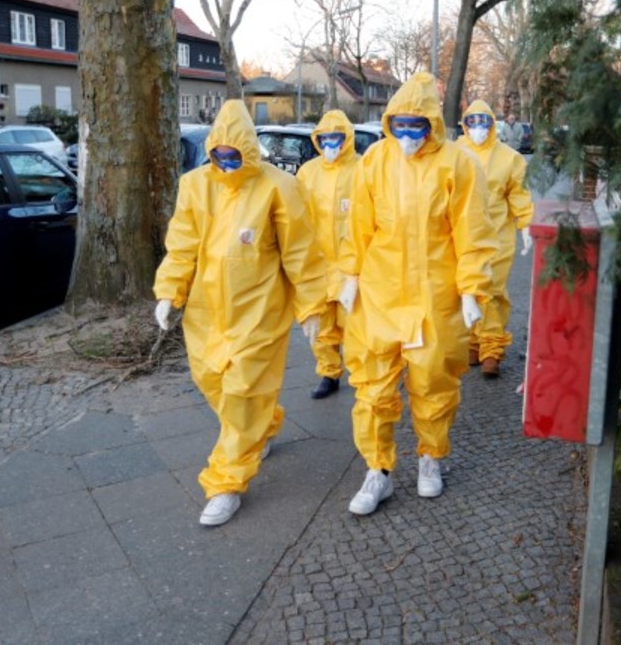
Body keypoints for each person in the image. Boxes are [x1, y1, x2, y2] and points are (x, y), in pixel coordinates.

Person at [154, 99, 325, 527]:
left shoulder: (278, 187)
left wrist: (311, 307)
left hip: (260, 311)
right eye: (220, 156)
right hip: (206, 312)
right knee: (212, 380)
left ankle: (226, 482)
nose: (227, 164)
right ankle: (264, 425)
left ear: (249, 150)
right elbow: (182, 243)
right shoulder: (195, 185)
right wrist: (170, 291)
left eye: (234, 156)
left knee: (243, 391)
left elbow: (301, 252)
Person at [337, 72, 497, 515]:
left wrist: (471, 290)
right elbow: (358, 226)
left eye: (416, 125)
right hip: (380, 292)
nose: (407, 134)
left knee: (433, 381)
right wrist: (349, 276)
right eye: (400, 125)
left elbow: (471, 232)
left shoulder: (457, 164)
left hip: (434, 294)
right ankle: (378, 470)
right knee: (372, 386)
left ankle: (431, 457)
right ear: (389, 123)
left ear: (432, 123)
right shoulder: (375, 161)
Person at [460, 100, 535, 377]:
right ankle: (471, 341)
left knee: (492, 291)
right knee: (466, 290)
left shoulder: (509, 157)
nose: (478, 128)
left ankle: (491, 349)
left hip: (497, 237)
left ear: (493, 124)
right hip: (463, 236)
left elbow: (518, 193)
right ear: (465, 124)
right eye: (473, 122)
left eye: (484, 122)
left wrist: (525, 223)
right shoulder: (454, 153)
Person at [296, 109, 360, 399]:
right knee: (321, 324)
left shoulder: (363, 168)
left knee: (355, 324)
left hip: (352, 263)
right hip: (319, 262)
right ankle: (329, 372)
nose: (331, 144)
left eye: (337, 137)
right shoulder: (308, 172)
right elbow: (297, 216)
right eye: (325, 138)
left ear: (347, 138)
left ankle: (362, 376)